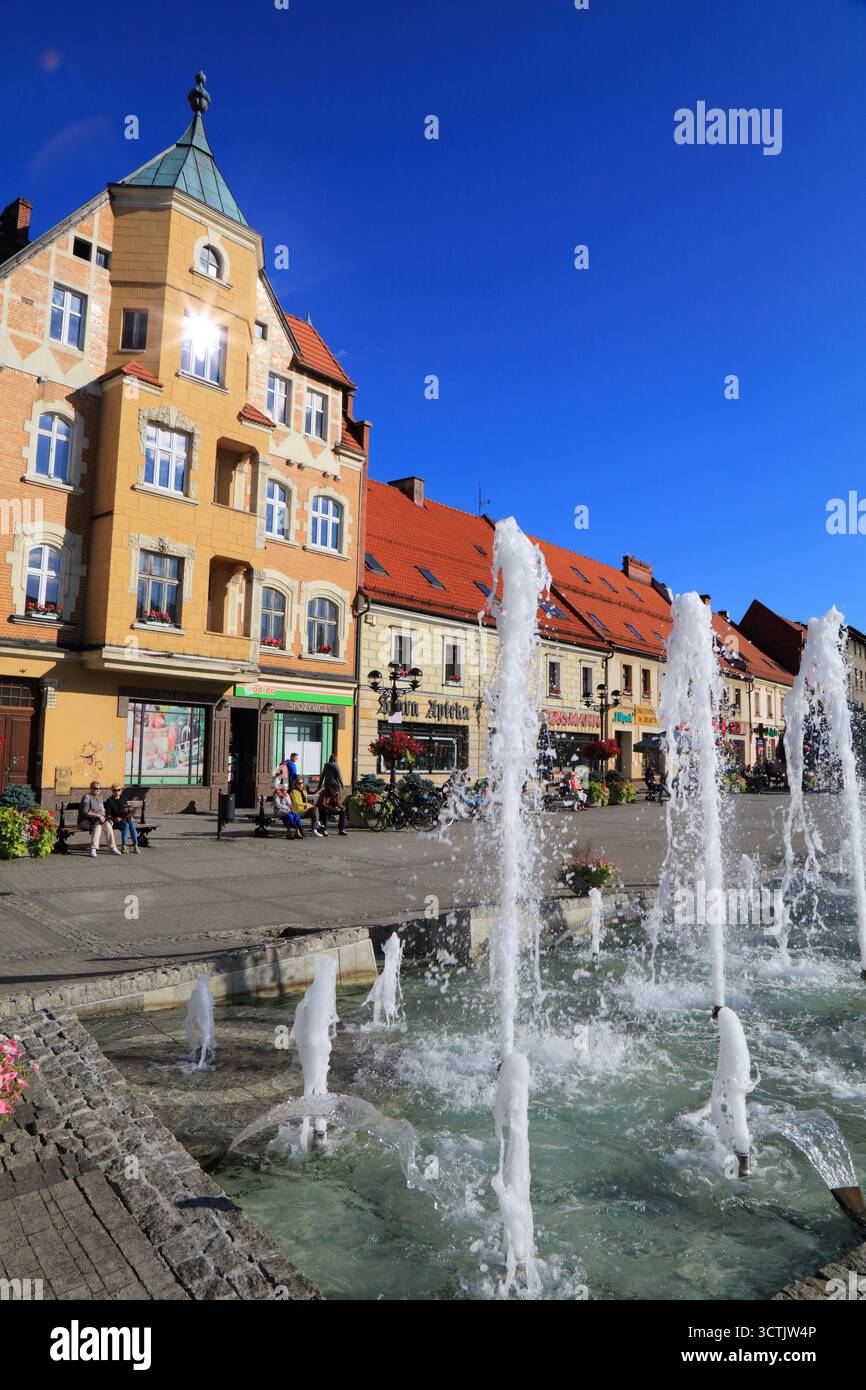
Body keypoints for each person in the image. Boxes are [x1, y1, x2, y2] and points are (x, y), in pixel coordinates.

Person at [77, 781, 121, 857]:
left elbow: (102, 812)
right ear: (91, 788)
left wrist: (108, 819)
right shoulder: (87, 797)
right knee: (98, 826)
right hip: (84, 821)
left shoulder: (99, 798)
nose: (98, 790)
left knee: (108, 825)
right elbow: (85, 812)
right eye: (96, 788)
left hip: (96, 820)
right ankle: (93, 849)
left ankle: (112, 847)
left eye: (100, 788)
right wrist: (98, 816)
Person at [105, 783, 140, 854]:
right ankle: (123, 847)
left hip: (124, 819)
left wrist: (130, 815)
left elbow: (126, 810)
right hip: (115, 821)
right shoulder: (110, 801)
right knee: (126, 825)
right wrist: (115, 819)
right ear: (112, 791)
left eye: (118, 790)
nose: (117, 792)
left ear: (120, 791)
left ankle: (135, 845)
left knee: (131, 824)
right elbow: (108, 815)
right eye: (115, 790)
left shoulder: (123, 799)